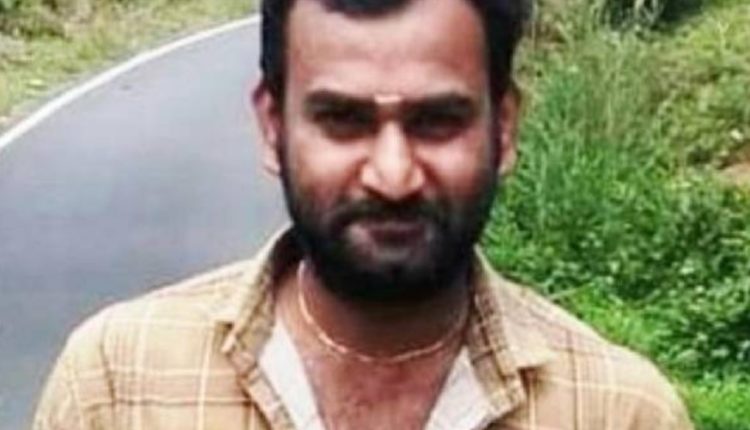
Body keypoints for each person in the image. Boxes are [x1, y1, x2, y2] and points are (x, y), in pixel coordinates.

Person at [32, 0, 694, 428]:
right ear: (272, 125)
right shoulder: (119, 385)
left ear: (504, 127)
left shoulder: (617, 411)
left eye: (437, 121)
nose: (392, 175)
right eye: (343, 121)